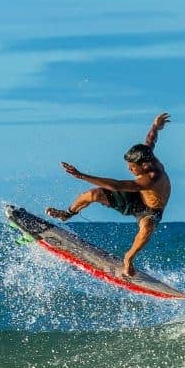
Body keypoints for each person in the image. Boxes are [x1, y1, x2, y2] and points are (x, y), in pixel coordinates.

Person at [46, 112, 172, 277]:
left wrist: (82, 176)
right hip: (137, 198)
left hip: (151, 209)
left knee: (147, 226)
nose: (129, 169)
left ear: (144, 165)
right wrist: (156, 126)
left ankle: (128, 258)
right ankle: (67, 213)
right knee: (94, 194)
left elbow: (118, 185)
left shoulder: (151, 179)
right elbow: (151, 139)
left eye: (132, 167)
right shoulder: (146, 153)